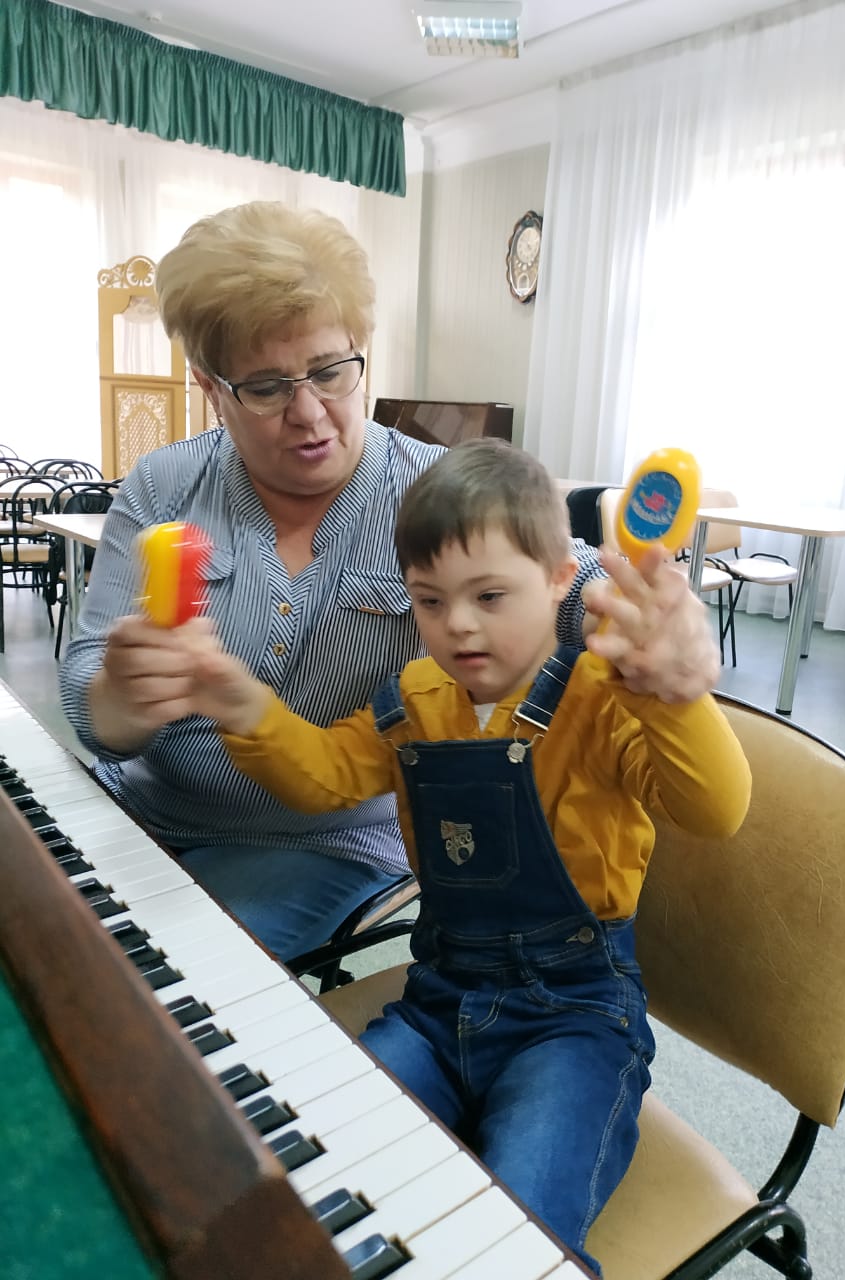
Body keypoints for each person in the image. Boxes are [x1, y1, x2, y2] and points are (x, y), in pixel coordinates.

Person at [59, 199, 722, 966]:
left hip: (324, 844)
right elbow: (88, 697)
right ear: (211, 387)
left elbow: (558, 585)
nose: (310, 413)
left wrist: (650, 626)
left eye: (330, 371)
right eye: (267, 387)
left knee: (141, 979)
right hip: (136, 809)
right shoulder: (164, 486)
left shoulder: (434, 493)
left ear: (361, 349)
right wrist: (122, 698)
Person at [169, 439, 752, 1275]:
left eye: (489, 595)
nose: (459, 624)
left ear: (561, 579)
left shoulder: (607, 698)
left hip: (576, 1019)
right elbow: (325, 776)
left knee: (517, 1237)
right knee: (317, 1165)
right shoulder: (416, 699)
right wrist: (242, 705)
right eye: (429, 600)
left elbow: (716, 810)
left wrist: (678, 699)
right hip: (438, 1001)